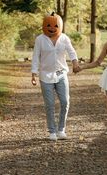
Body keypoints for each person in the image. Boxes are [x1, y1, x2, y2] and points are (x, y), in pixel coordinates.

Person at [31, 12, 79, 141]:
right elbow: (36, 56)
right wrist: (33, 73)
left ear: (60, 25)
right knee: (50, 104)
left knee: (65, 101)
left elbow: (71, 52)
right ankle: (52, 131)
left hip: (60, 73)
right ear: (44, 26)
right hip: (45, 75)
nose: (52, 28)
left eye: (55, 25)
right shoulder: (40, 39)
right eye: (48, 25)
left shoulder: (64, 38)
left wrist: (75, 63)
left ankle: (61, 129)